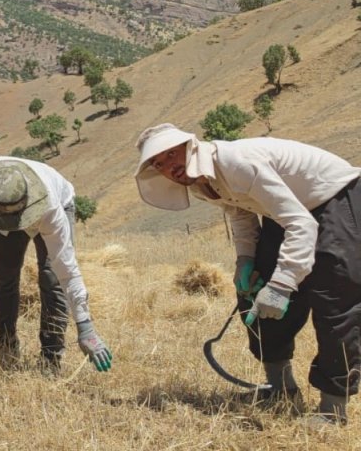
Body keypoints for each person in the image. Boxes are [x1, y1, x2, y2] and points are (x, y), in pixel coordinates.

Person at [135, 124, 360, 426]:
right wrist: (245, 260)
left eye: (171, 154)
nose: (167, 166)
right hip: (285, 213)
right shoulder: (199, 182)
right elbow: (240, 213)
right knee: (253, 292)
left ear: (190, 147)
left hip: (333, 199)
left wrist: (282, 285)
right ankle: (281, 389)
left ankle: (333, 409)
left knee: (333, 301)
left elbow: (301, 224)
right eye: (158, 163)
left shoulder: (234, 162)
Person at [0, 157, 113, 373]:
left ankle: (50, 357)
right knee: (3, 275)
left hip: (54, 206)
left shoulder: (51, 211)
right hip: (4, 212)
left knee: (52, 279)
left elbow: (67, 273)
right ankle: (6, 342)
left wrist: (85, 328)